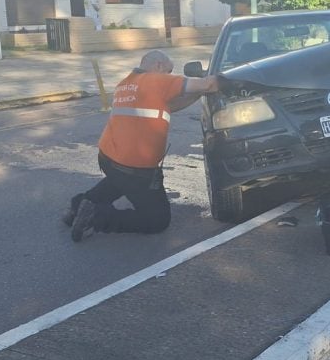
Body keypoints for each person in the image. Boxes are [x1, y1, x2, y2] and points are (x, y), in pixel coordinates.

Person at [65, 50, 222, 242]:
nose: (170, 75)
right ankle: (97, 217)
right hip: (135, 168)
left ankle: (77, 207)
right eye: (169, 70)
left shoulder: (126, 84)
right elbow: (211, 83)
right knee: (157, 220)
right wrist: (234, 77)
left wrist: (199, 93)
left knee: (119, 182)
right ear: (158, 66)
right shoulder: (157, 80)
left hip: (110, 158)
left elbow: (171, 106)